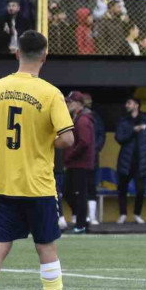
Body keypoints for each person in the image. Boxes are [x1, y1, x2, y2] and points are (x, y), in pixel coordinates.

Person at [0, 31, 75, 290]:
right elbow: (67, 138)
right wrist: (40, 140)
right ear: (45, 56)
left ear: (16, 53)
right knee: (46, 247)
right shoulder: (50, 93)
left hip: (3, 183)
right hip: (38, 185)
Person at [114, 97, 146, 224]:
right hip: (126, 160)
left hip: (141, 161)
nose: (127, 105)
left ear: (136, 105)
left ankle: (137, 214)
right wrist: (133, 130)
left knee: (141, 189)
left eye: (129, 103)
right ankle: (123, 214)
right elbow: (119, 138)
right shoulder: (123, 121)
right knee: (122, 189)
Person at [63, 90, 95, 233]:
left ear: (78, 104)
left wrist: (69, 156)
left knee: (79, 194)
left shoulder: (83, 120)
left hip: (80, 164)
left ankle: (81, 224)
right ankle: (83, 219)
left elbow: (84, 142)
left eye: (70, 102)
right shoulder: (77, 118)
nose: (67, 104)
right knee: (70, 192)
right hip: (76, 163)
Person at [83, 92, 104, 224]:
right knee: (77, 188)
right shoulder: (74, 116)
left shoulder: (96, 118)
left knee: (91, 186)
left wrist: (95, 149)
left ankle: (92, 216)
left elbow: (101, 135)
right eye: (86, 100)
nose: (88, 102)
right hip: (77, 159)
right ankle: (77, 216)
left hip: (92, 159)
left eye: (89, 100)